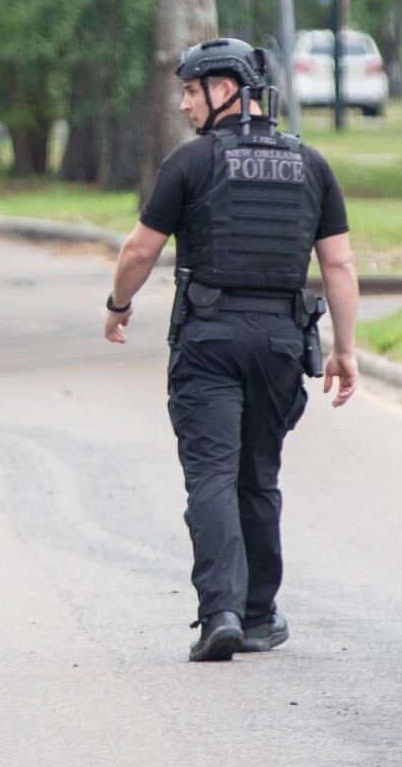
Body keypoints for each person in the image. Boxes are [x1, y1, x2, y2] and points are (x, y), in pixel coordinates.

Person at [104, 37, 359, 662]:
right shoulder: (312, 165)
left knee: (211, 476)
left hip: (208, 340)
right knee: (258, 476)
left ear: (226, 91)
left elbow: (140, 250)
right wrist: (344, 349)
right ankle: (259, 613)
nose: (186, 104)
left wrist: (117, 306)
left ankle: (219, 610)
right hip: (279, 341)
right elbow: (340, 264)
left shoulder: (190, 163)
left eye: (192, 91)